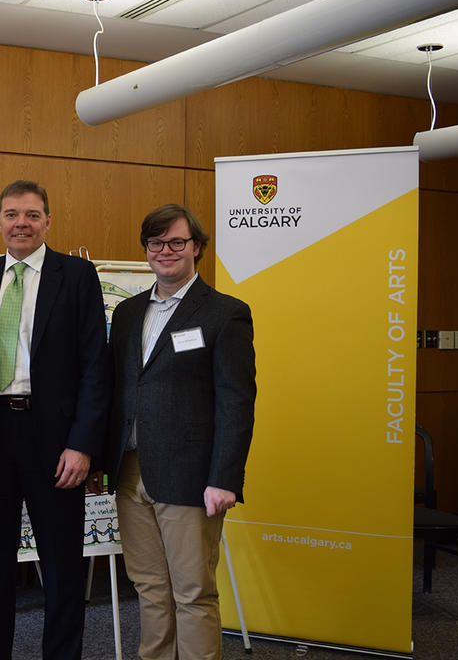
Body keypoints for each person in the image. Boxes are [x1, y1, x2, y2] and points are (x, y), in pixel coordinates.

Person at [0, 180, 110, 660]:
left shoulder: (78, 275)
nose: (20, 223)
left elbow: (95, 366)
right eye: (11, 214)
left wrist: (83, 444)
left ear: (48, 220)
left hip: (57, 439)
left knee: (63, 565)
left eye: (31, 214)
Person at [105, 204, 256, 660]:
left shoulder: (225, 314)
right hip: (131, 473)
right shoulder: (129, 313)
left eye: (176, 242)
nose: (165, 251)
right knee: (148, 588)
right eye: (156, 243)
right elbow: (121, 390)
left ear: (197, 249)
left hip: (191, 478)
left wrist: (225, 477)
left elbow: (236, 401)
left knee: (193, 593)